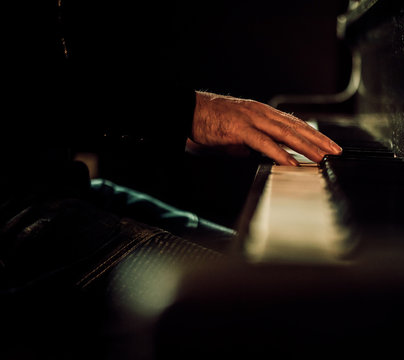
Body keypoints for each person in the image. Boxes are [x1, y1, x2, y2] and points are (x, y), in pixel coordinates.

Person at [0, 1, 341, 358]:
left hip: (62, 187)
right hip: (15, 222)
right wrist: (186, 113)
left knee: (291, 278)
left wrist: (177, 123)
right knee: (279, 309)